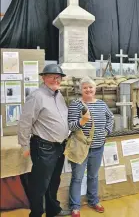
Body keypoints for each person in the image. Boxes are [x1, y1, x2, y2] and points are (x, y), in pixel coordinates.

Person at [18, 64, 70, 217]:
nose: (56, 79)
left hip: (59, 147)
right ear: (43, 78)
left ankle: (53, 210)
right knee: (40, 184)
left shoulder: (59, 95)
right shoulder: (37, 96)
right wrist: (24, 146)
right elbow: (25, 123)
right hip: (43, 147)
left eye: (58, 77)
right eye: (52, 76)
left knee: (54, 181)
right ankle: (36, 213)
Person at [68, 76, 114, 217]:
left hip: (98, 147)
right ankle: (75, 206)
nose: (88, 89)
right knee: (77, 177)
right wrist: (83, 121)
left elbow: (110, 118)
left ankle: (93, 200)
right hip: (81, 148)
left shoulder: (101, 104)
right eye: (85, 87)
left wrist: (106, 131)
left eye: (90, 87)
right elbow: (70, 126)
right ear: (81, 90)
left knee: (93, 176)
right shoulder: (75, 104)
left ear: (95, 89)